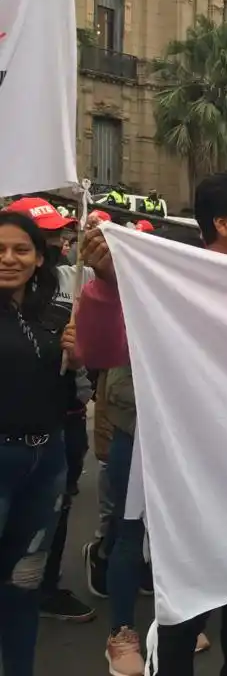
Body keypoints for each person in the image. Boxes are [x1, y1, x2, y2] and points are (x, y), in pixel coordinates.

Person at [78, 172, 227, 676]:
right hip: (173, 462)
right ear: (222, 224)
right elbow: (101, 352)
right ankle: (125, 632)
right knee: (169, 587)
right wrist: (106, 286)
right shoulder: (170, 281)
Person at [3, 198, 97, 624]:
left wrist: (76, 359)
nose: (9, 259)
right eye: (0, 249)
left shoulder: (57, 303)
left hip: (53, 444)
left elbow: (71, 374)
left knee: (27, 572)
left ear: (40, 256)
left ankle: (41, 595)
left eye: (21, 250)